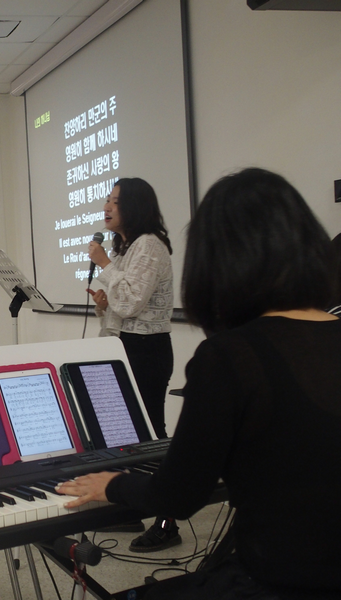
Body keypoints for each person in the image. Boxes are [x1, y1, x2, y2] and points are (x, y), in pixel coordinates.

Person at [58, 168, 341, 600]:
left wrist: (111, 484)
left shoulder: (232, 356)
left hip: (283, 582)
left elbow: (179, 493)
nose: (107, 206)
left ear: (219, 262)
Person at [86, 178, 177, 552]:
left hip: (146, 351)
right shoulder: (127, 248)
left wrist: (104, 265)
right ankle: (130, 507)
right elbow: (120, 306)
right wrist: (103, 304)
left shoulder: (149, 245)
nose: (107, 207)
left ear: (135, 206)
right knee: (126, 437)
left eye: (116, 201)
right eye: (107, 200)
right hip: (125, 347)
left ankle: (168, 521)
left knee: (150, 436)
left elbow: (131, 302)